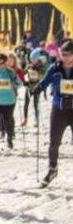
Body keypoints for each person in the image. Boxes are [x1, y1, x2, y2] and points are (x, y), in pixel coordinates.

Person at [35, 39, 73, 187]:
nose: (66, 57)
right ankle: (52, 169)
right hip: (59, 109)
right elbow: (45, 81)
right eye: (63, 54)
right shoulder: (55, 68)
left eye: (69, 54)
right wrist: (37, 89)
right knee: (54, 142)